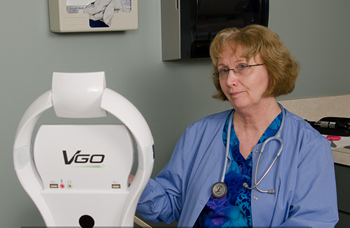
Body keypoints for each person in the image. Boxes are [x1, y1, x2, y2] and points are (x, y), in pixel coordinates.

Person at [134, 25, 339, 227]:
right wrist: (129, 182)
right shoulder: (198, 134)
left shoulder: (309, 147)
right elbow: (170, 205)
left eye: (242, 67)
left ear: (273, 69)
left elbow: (313, 223)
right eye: (224, 70)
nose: (230, 80)